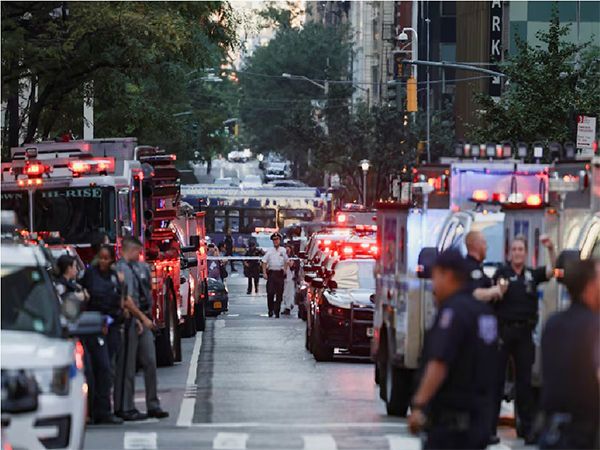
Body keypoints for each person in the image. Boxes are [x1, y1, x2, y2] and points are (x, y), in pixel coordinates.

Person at [408, 249, 498, 450]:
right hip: (479, 422)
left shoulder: (453, 312)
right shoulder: (485, 313)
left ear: (447, 275)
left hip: (452, 428)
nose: (433, 287)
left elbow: (440, 362)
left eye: (435, 278)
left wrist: (419, 405)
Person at [491, 235, 555, 444]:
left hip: (524, 334)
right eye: (515, 249)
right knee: (497, 381)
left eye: (521, 249)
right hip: (504, 332)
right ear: (510, 253)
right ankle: (490, 428)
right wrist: (499, 290)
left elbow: (551, 272)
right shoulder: (503, 273)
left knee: (525, 384)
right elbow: (495, 293)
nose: (518, 253)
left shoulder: (530, 275)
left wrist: (551, 250)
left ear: (526, 253)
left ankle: (526, 429)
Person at [538, 258, 600, 449]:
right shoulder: (593, 327)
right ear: (589, 286)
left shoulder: (552, 324)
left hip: (552, 434)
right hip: (583, 435)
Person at [114, 236, 168, 421]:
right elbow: (127, 299)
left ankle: (153, 404)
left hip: (144, 318)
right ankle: (126, 407)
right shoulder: (121, 269)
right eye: (138, 251)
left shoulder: (140, 267)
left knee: (150, 362)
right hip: (132, 320)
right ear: (131, 250)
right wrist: (141, 318)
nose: (140, 254)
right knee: (127, 366)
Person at [79, 245, 125, 425]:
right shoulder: (90, 275)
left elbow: (121, 297)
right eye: (101, 258)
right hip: (95, 325)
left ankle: (101, 409)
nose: (104, 261)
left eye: (107, 258)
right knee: (102, 367)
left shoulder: (115, 276)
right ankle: (100, 411)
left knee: (107, 368)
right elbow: (85, 298)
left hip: (112, 324)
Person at [464, 231, 507, 303]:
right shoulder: (470, 268)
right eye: (484, 243)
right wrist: (496, 290)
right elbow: (476, 294)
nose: (486, 247)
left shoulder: (478, 266)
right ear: (477, 245)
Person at [262, 232, 288, 318]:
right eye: (274, 240)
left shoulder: (283, 250)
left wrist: (284, 269)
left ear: (280, 241)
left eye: (277, 240)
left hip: (279, 274)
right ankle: (270, 310)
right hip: (272, 274)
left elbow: (286, 261)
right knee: (270, 293)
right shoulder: (269, 251)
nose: (276, 241)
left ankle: (277, 311)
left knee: (279, 294)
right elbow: (264, 262)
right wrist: (264, 273)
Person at [281, 245, 296, 315]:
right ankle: (289, 304)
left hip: (290, 278)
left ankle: (288, 307)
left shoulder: (293, 258)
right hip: (283, 278)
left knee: (289, 294)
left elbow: (291, 265)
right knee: (284, 294)